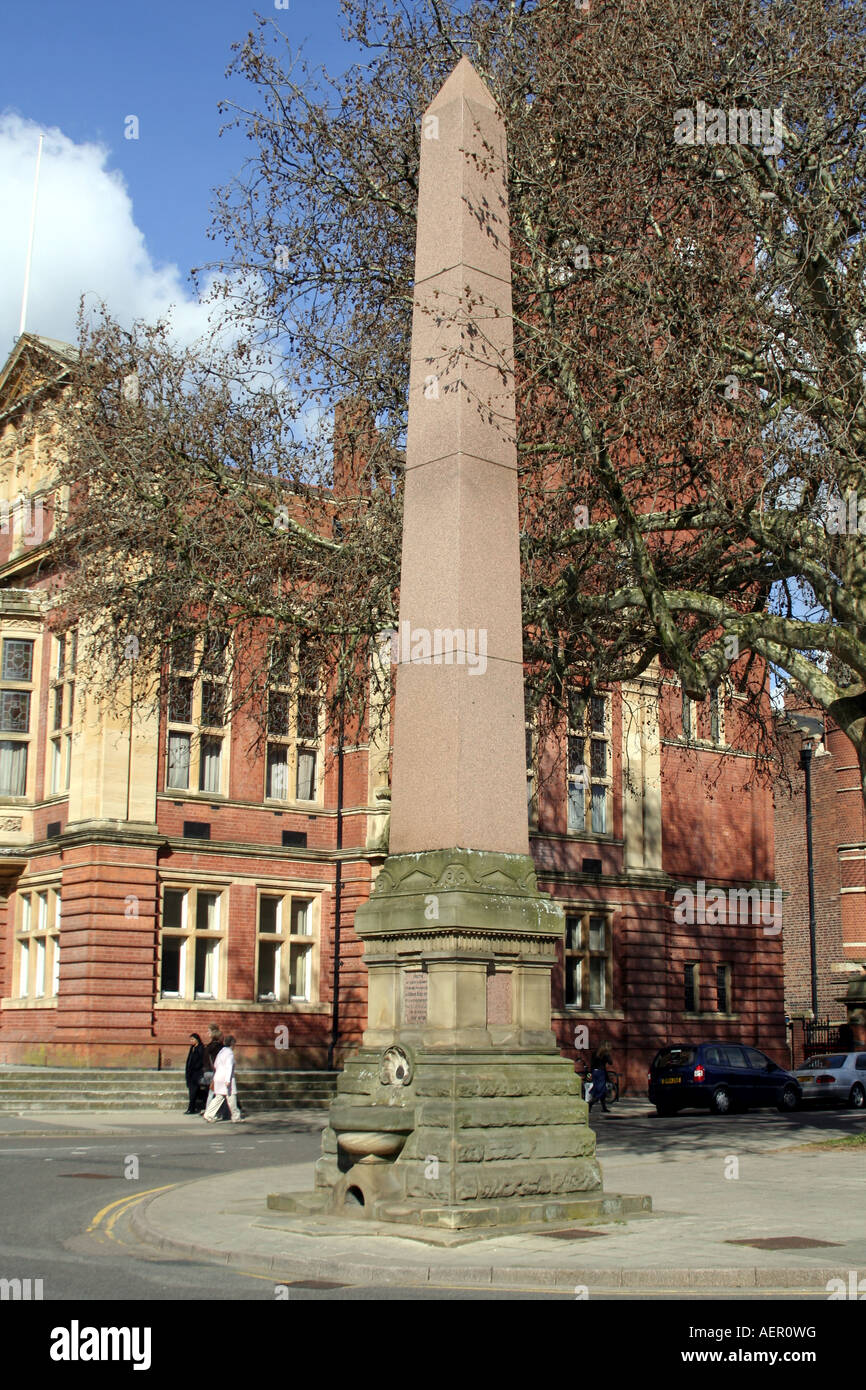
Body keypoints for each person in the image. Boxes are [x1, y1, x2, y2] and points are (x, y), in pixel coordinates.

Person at [202, 1034, 244, 1123]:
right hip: (226, 1078)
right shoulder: (230, 1054)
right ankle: (236, 1116)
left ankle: (208, 1114)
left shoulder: (221, 1052)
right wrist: (228, 1080)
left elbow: (215, 1065)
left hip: (218, 1077)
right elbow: (229, 1067)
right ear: (232, 1044)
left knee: (218, 1097)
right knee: (232, 1097)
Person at [184, 1032, 207, 1113]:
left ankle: (191, 1108)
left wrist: (196, 1067)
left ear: (197, 1039)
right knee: (194, 1091)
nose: (191, 1041)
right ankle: (193, 1107)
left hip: (196, 1073)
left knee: (193, 1091)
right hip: (190, 1073)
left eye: (192, 1039)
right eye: (190, 1039)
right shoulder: (192, 1048)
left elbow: (201, 1060)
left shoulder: (200, 1048)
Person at [588, 1045, 613, 1113]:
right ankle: (589, 1104)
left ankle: (604, 1107)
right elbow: (610, 1062)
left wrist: (590, 1073)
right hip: (600, 1073)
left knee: (601, 1090)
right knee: (600, 1091)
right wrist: (608, 1056)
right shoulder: (605, 1055)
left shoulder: (595, 1053)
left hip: (595, 1072)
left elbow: (592, 1064)